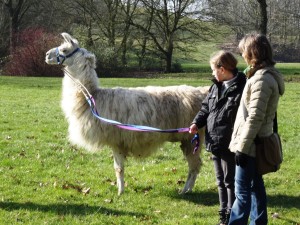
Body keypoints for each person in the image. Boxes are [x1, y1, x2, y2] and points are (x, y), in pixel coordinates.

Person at [228, 33, 285, 225]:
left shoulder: (262, 80)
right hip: (254, 142)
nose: (242, 54)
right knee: (255, 187)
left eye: (244, 51)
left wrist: (242, 148)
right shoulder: (261, 76)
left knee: (242, 191)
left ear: (253, 53)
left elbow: (255, 117)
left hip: (251, 144)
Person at [189, 50, 246, 225]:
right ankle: (223, 215)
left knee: (230, 181)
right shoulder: (215, 86)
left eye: (213, 69)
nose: (212, 73)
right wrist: (196, 123)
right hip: (214, 141)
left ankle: (231, 215)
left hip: (230, 143)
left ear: (222, 69)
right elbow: (205, 108)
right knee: (220, 180)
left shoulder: (242, 87)